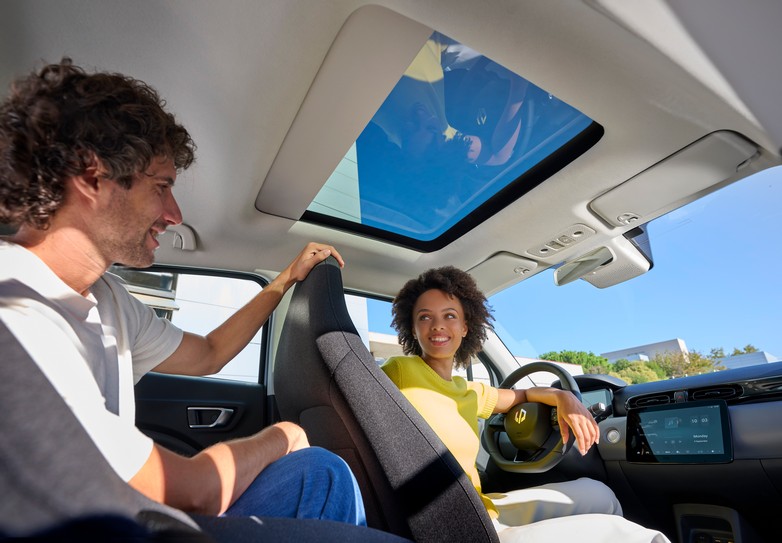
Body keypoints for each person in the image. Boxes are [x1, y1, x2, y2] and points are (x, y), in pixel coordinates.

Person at [0, 58, 365, 527]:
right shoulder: (16, 314)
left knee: (322, 475)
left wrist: (284, 279)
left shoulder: (109, 298)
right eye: (162, 187)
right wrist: (284, 435)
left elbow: (209, 353)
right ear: (92, 178)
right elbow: (194, 492)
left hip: (140, 518)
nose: (174, 214)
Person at [382, 266, 671, 542]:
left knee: (600, 494)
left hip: (481, 508)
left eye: (449, 315)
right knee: (644, 538)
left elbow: (522, 396)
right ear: (413, 328)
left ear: (466, 327)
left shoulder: (469, 391)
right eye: (425, 317)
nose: (437, 326)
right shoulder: (400, 371)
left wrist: (564, 397)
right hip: (457, 527)